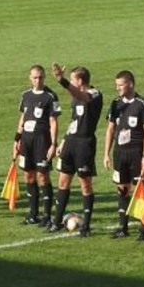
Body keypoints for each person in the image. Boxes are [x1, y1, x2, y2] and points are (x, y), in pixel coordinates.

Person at [47, 63, 104, 236]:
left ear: (80, 81)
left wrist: (61, 80)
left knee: (85, 185)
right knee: (63, 182)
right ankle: (56, 222)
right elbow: (74, 121)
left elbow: (82, 96)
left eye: (72, 79)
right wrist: (63, 141)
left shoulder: (95, 94)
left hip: (85, 144)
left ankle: (86, 226)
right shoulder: (75, 97)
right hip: (71, 142)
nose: (71, 83)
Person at [104, 70, 144, 240]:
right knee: (122, 188)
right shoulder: (115, 103)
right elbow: (110, 129)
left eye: (121, 84)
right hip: (120, 153)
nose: (117, 87)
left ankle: (143, 229)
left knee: (140, 188)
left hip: (137, 153)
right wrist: (106, 153)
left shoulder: (142, 104)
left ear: (130, 84)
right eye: (116, 84)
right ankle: (122, 227)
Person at [14, 65, 59, 226]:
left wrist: (53, 144)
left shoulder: (50, 96)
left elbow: (53, 122)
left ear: (44, 77)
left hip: (42, 141)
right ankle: (33, 214)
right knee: (29, 175)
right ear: (30, 78)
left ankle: (47, 215)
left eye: (40, 77)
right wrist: (16, 139)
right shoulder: (25, 95)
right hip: (26, 141)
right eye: (34, 77)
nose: (37, 80)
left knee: (42, 176)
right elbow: (23, 118)